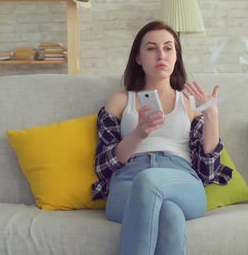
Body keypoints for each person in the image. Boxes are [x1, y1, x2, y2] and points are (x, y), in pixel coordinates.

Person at [91, 20, 233, 255]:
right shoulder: (120, 100)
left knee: (149, 182)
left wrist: (212, 116)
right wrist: (139, 133)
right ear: (138, 58)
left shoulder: (189, 103)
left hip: (181, 181)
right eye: (151, 48)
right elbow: (103, 167)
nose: (161, 54)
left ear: (176, 56)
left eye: (168, 48)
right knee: (169, 213)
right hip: (127, 183)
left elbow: (207, 172)